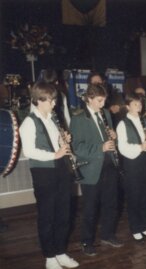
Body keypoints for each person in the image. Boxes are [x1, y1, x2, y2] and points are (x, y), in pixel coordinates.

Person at [20, 82, 79, 269]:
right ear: (38, 100)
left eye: (54, 100)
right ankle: (49, 256)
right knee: (47, 214)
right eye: (50, 100)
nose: (54, 104)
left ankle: (60, 251)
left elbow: (56, 143)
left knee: (63, 213)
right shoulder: (29, 122)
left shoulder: (53, 119)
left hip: (61, 168)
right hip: (43, 172)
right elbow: (29, 151)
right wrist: (55, 154)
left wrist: (63, 140)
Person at [70, 83, 123, 257]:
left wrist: (113, 136)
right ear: (89, 99)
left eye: (104, 101)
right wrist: (100, 148)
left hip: (109, 166)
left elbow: (105, 136)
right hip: (91, 169)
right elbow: (77, 148)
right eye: (99, 101)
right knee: (90, 208)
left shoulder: (106, 113)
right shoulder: (78, 118)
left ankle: (107, 235)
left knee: (111, 204)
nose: (103, 104)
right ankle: (87, 241)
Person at [116, 93, 146, 242]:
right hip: (132, 163)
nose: (138, 107)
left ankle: (143, 226)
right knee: (135, 196)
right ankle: (135, 228)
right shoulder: (123, 124)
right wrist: (140, 146)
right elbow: (122, 147)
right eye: (135, 104)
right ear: (127, 106)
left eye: (140, 104)